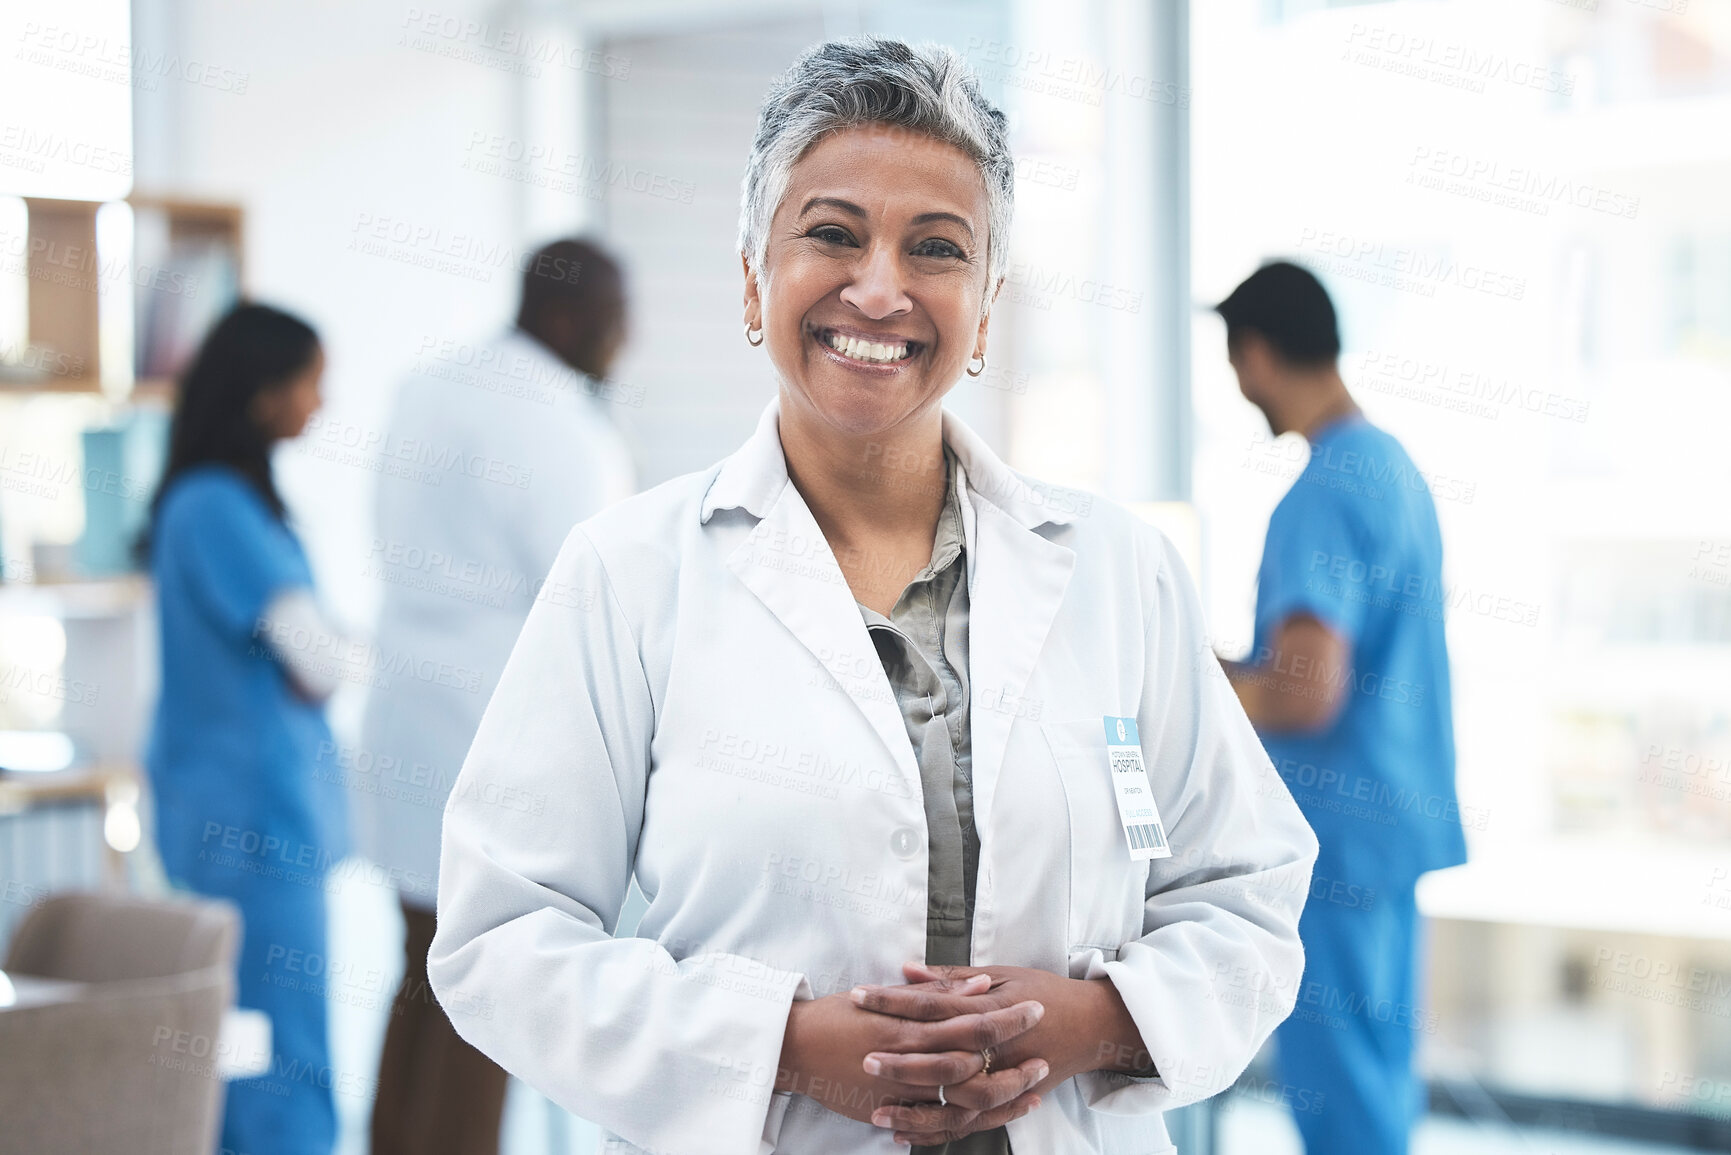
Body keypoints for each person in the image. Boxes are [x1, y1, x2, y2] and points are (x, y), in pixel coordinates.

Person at [429, 38, 1318, 1155]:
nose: (882, 287)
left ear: (986, 310)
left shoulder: (1118, 571)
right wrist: (783, 1046)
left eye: (936, 248)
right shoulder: (628, 575)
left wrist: (1092, 1024)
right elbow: (500, 938)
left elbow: (1244, 888)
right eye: (833, 234)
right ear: (755, 278)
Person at [354, 239, 636, 1155]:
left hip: (407, 720)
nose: (624, 339)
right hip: (488, 730)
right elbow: (599, 590)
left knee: (419, 977)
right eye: (614, 317)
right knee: (487, 997)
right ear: (569, 318)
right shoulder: (551, 415)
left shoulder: (427, 385)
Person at [1214, 261, 1466, 1155]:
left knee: (1339, 1100)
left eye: (1235, 362)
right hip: (1390, 831)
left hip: (1335, 841)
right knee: (1376, 1080)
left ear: (1255, 352)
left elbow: (1302, 688)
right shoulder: (1389, 467)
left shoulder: (1321, 491)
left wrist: (1190, 688)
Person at [144, 302, 346, 1155]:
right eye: (310, 383)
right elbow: (320, 660)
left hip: (226, 809)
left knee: (241, 1034)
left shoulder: (212, 502)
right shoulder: (218, 506)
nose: (320, 403)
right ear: (264, 394)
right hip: (253, 824)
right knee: (278, 1043)